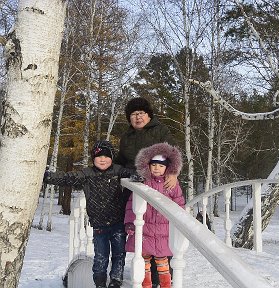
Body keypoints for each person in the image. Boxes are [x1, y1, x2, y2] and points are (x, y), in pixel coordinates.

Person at [43, 140, 136, 288]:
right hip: (99, 224)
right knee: (101, 256)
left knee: (119, 254)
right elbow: (68, 177)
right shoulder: (88, 174)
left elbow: (132, 173)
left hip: (118, 222)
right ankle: (99, 281)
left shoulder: (119, 171)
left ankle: (116, 280)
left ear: (112, 157)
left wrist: (136, 175)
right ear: (93, 159)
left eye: (106, 156)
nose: (103, 159)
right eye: (99, 156)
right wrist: (48, 177)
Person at [114, 97, 179, 286]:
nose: (138, 117)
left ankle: (164, 275)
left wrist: (173, 173)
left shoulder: (160, 130)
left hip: (158, 185)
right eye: (134, 114)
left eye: (141, 113)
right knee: (140, 230)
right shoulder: (126, 137)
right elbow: (120, 159)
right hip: (134, 188)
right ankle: (144, 276)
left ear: (149, 115)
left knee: (159, 228)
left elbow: (174, 153)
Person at [124, 142, 185, 288]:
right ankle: (146, 285)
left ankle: (165, 285)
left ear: (167, 168)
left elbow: (179, 202)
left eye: (161, 166)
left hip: (164, 231)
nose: (157, 168)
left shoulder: (171, 184)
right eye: (154, 165)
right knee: (144, 261)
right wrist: (130, 222)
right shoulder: (144, 182)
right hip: (146, 229)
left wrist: (180, 222)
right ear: (148, 165)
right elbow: (132, 203)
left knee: (163, 262)